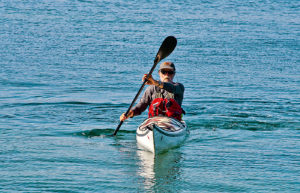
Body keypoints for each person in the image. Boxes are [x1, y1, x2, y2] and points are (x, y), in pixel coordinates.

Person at [120, 61, 184, 121]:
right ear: (159, 73)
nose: (167, 75)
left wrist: (154, 82)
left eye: (170, 72)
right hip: (154, 121)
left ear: (174, 74)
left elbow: (171, 88)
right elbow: (140, 107)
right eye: (164, 72)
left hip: (173, 122)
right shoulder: (151, 89)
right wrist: (129, 113)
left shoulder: (179, 87)